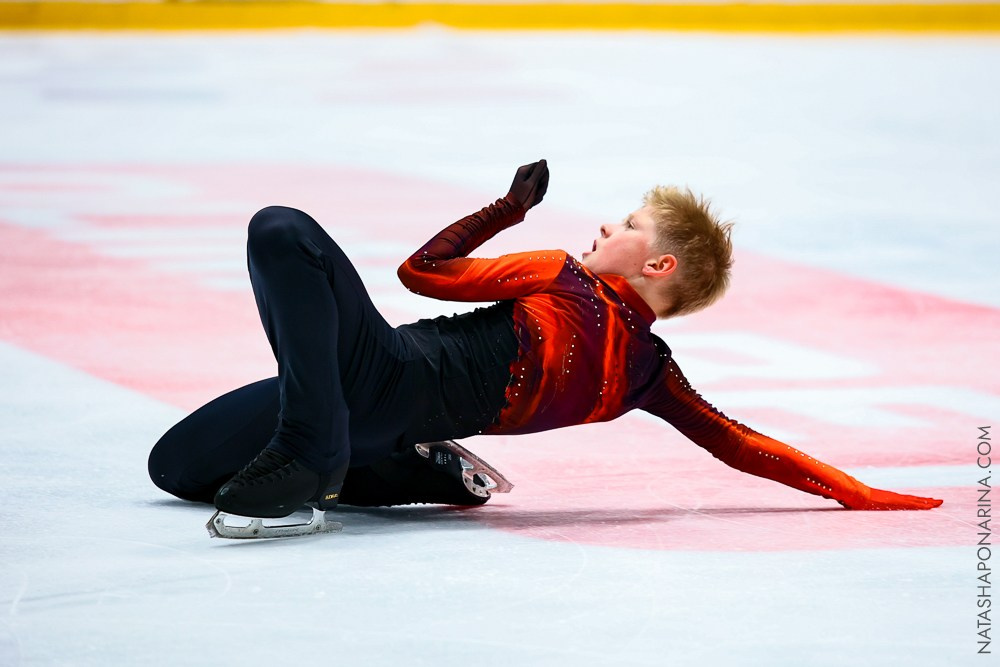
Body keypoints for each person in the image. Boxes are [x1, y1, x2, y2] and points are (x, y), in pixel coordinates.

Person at [148, 160, 943, 536]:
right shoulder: (647, 375)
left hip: (375, 375)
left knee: (281, 230)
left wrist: (506, 208)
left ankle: (316, 447)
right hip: (369, 404)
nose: (607, 226)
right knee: (175, 469)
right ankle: (399, 463)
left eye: (629, 225)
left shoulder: (565, 279)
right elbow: (741, 445)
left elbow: (420, 273)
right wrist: (852, 491)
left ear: (658, 266)